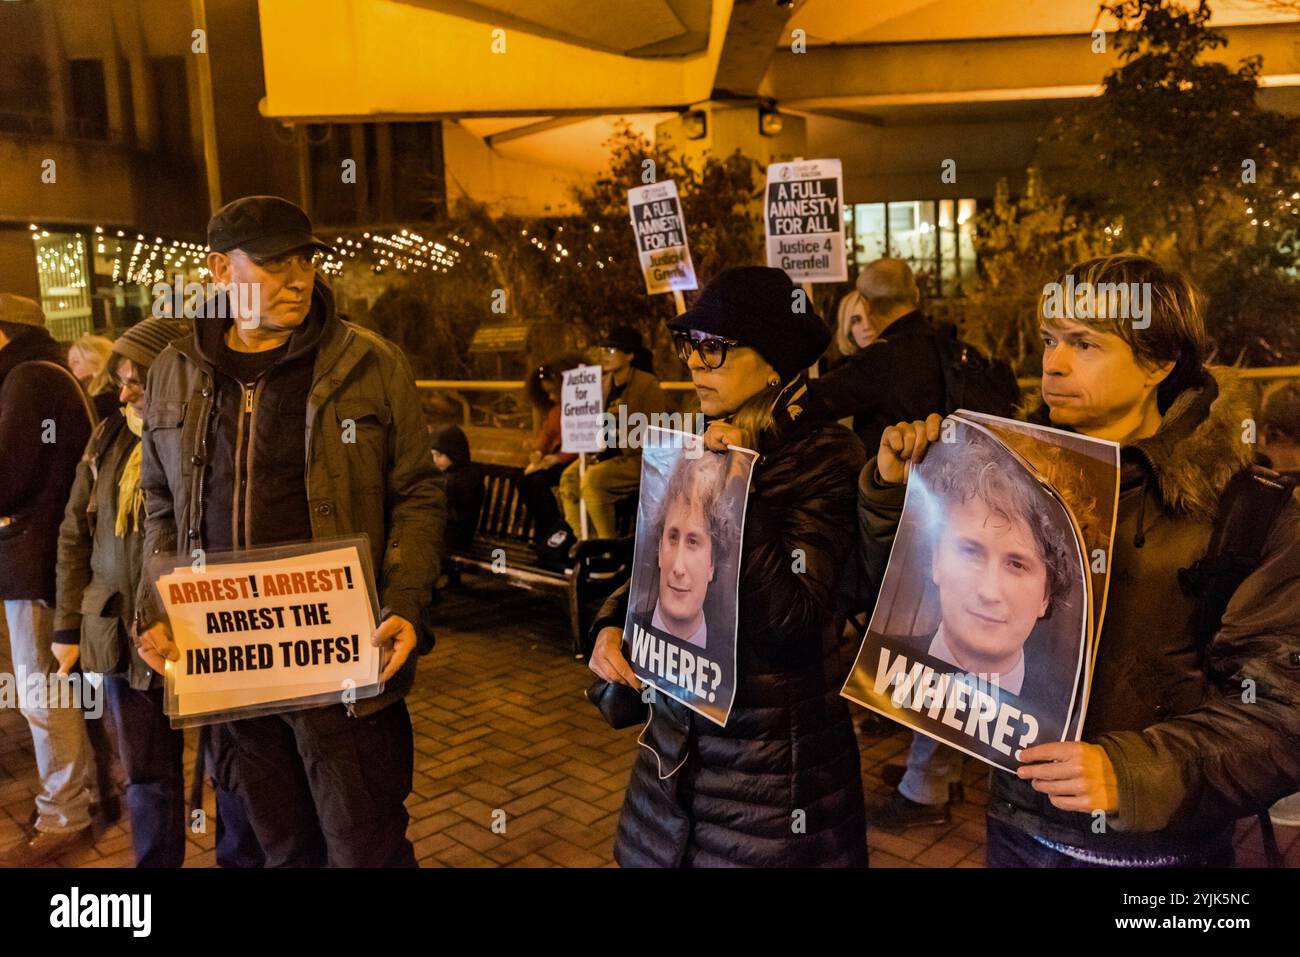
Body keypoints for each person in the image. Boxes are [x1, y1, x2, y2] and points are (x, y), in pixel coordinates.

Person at [861, 254, 1300, 867]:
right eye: (1049, 340)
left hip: (1161, 851)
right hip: (1017, 826)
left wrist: (1135, 773)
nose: (1053, 363)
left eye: (1085, 343)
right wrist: (896, 496)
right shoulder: (1002, 474)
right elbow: (917, 596)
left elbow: (1282, 710)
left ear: (1158, 362)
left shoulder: (1245, 508)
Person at [132, 195, 445, 867]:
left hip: (343, 662)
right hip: (231, 665)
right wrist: (153, 605)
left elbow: (418, 492)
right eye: (275, 263)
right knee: (279, 850)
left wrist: (406, 605)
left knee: (367, 848)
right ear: (221, 270)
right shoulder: (174, 372)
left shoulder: (371, 363)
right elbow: (161, 504)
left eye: (305, 258)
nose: (298, 276)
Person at [589, 266, 868, 867]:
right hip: (672, 760)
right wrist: (611, 623)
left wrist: (736, 486)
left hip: (770, 778)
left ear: (773, 363)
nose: (694, 363)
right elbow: (655, 564)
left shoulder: (827, 455)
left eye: (713, 349)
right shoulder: (703, 436)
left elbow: (795, 616)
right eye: (690, 346)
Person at [52, 317, 263, 868]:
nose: (122, 394)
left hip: (206, 635)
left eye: (136, 382)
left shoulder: (214, 437)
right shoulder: (109, 438)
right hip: (121, 633)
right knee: (146, 775)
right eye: (119, 380)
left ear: (171, 381)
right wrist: (67, 624)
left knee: (233, 769)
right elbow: (76, 532)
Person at [0, 294, 96, 866]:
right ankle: (71, 800)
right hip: (40, 556)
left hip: (35, 561)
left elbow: (7, 477)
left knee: (44, 693)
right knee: (49, 690)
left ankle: (65, 813)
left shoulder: (29, 381)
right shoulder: (38, 374)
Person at [811, 258, 948, 452]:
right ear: (916, 295)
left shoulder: (882, 359)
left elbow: (810, 402)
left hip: (891, 477)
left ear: (867, 306)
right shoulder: (952, 347)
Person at [556, 325, 668, 542]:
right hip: (607, 455)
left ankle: (607, 548)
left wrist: (617, 445)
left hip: (638, 457)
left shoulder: (647, 384)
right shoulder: (604, 383)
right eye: (603, 349)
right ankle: (586, 543)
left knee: (592, 480)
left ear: (630, 355)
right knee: (569, 478)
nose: (604, 355)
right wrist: (592, 448)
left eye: (612, 350)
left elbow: (654, 432)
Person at [644, 452, 732, 648]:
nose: (678, 567)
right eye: (672, 538)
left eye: (693, 542)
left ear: (712, 564)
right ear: (659, 547)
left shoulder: (729, 652)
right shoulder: (628, 633)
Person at [519, 361, 576, 546]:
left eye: (554, 392)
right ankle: (546, 528)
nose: (551, 397)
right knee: (525, 481)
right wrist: (538, 450)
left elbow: (580, 440)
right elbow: (547, 433)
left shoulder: (578, 408)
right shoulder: (556, 410)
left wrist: (558, 458)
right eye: (547, 393)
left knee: (538, 482)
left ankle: (551, 529)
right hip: (556, 459)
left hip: (572, 460)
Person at [430, 423, 484, 553]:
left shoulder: (466, 479)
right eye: (432, 455)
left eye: (439, 455)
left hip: (455, 537)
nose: (435, 460)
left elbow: (459, 517)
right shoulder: (447, 475)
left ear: (454, 453)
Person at [68, 334, 119, 422]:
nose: (69, 367)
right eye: (68, 362)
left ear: (98, 361)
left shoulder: (102, 402)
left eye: (76, 361)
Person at [831, 288, 877, 366]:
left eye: (870, 317)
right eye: (856, 320)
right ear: (848, 330)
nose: (866, 326)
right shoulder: (842, 372)